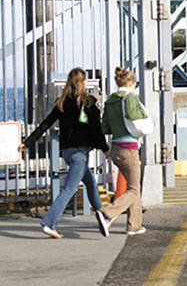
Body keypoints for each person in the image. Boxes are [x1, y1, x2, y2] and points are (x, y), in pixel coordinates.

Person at [19, 68, 109, 239]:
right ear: (84, 82)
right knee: (70, 188)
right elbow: (96, 129)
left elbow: (45, 124)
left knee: (90, 183)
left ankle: (103, 214)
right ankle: (49, 222)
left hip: (66, 153)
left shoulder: (61, 102)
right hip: (80, 153)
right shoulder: (88, 102)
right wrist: (105, 149)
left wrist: (28, 142)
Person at [95, 67, 148, 237]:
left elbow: (105, 127)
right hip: (129, 149)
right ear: (131, 83)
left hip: (115, 148)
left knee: (134, 188)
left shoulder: (110, 100)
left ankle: (134, 225)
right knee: (133, 190)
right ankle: (107, 212)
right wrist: (143, 115)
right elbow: (133, 115)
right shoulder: (129, 97)